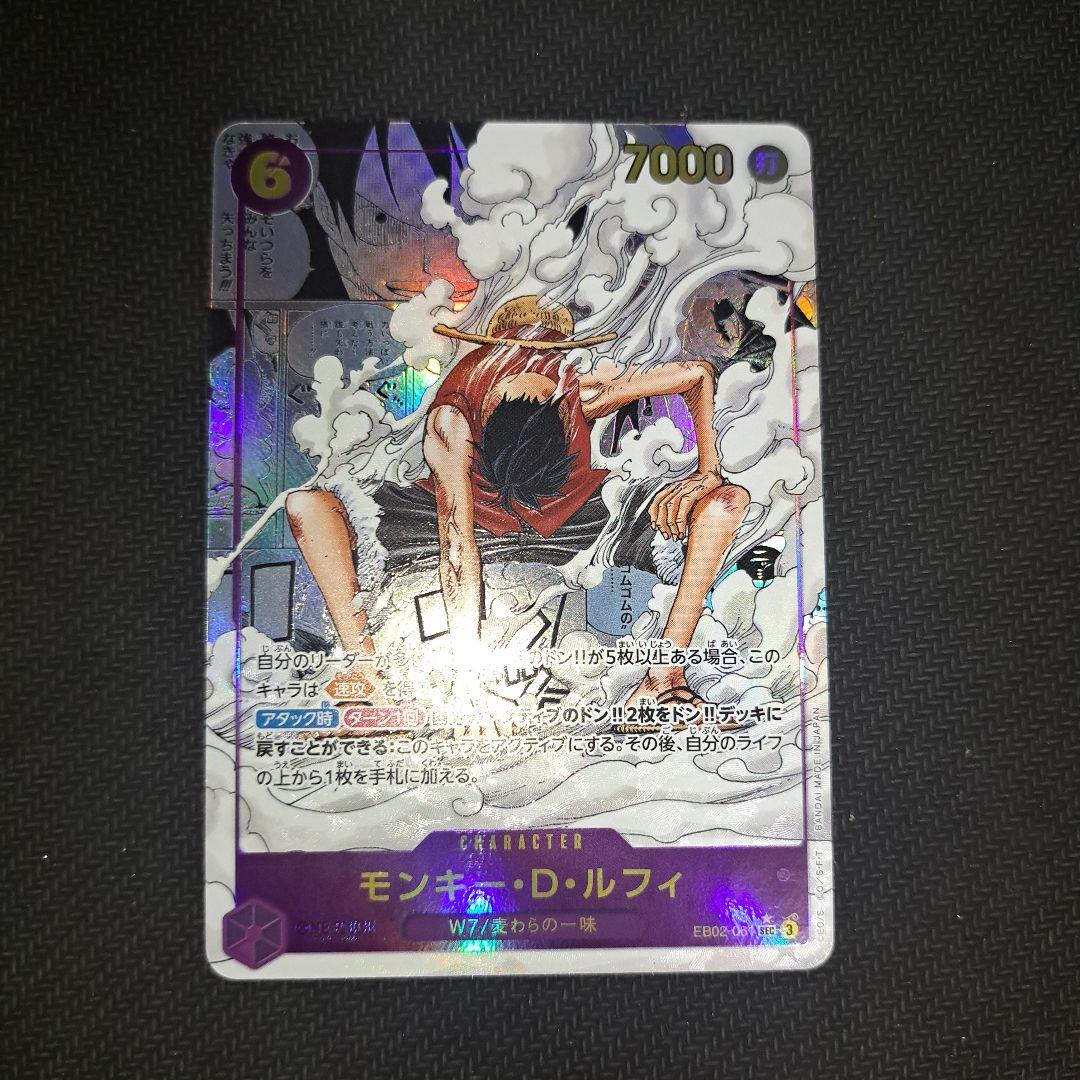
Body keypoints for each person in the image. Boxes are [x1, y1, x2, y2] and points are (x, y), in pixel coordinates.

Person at [285, 293, 755, 706]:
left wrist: (707, 473)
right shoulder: (452, 421)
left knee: (726, 502)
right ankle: (365, 672)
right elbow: (456, 544)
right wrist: (469, 674)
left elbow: (697, 374)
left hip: (575, 524)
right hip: (459, 523)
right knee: (309, 507)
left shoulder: (582, 393)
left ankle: (663, 675)